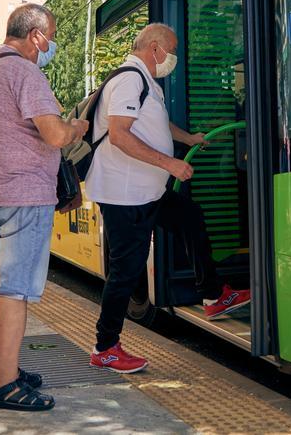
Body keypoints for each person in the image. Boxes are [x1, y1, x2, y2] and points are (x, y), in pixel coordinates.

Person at [85, 23, 250, 374]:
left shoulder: (146, 81)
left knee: (189, 215)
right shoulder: (130, 78)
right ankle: (105, 346)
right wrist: (171, 163)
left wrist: (189, 139)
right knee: (127, 269)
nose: (172, 58)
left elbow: (155, 123)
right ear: (155, 47)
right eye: (171, 50)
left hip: (148, 191)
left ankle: (213, 295)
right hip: (125, 194)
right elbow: (119, 135)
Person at [0, 3, 88, 412]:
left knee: (10, 286)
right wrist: (77, 127)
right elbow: (54, 134)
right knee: (14, 292)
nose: (49, 45)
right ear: (36, 36)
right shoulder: (24, 71)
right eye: (49, 37)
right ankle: (4, 385)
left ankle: (5, 368)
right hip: (25, 197)